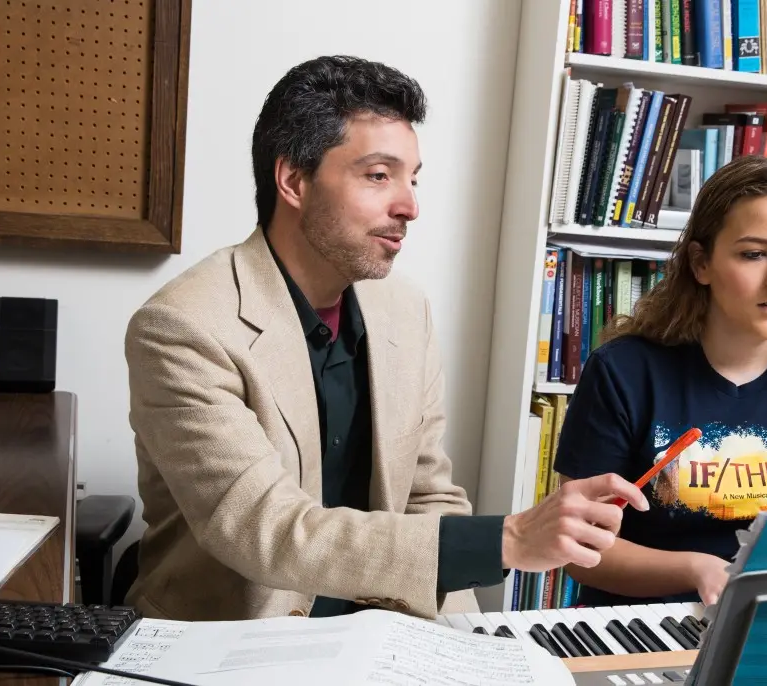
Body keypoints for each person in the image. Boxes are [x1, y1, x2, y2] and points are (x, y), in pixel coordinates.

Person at [122, 55, 647, 623]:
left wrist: (467, 645)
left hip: (382, 636)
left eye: (412, 178)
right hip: (227, 645)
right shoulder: (184, 325)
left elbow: (428, 495)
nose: (410, 207)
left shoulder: (404, 310)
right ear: (294, 181)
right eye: (379, 175)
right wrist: (509, 538)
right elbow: (261, 529)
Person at [551, 155, 767, 609]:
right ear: (701, 263)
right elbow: (578, 549)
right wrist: (698, 569)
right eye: (754, 254)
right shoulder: (623, 372)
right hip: (645, 624)